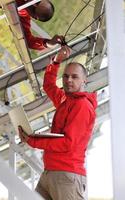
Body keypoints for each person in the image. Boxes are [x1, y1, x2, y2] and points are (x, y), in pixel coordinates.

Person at [18, 45, 97, 200]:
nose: (68, 80)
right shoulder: (65, 100)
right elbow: (48, 85)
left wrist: (33, 140)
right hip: (51, 172)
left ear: (84, 80)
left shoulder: (81, 106)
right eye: (66, 76)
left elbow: (67, 143)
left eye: (74, 77)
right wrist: (55, 62)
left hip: (66, 175)